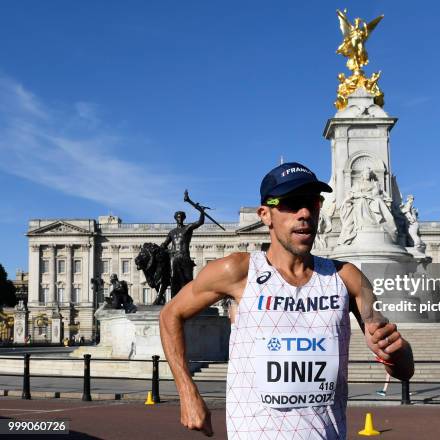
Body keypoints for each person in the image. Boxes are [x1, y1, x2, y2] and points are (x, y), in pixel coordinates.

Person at [160, 161, 414, 439]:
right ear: (265, 214)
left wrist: (394, 351)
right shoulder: (237, 271)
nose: (304, 213)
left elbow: (403, 368)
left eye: (312, 203)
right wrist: (187, 392)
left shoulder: (348, 278)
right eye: (291, 204)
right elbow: (170, 314)